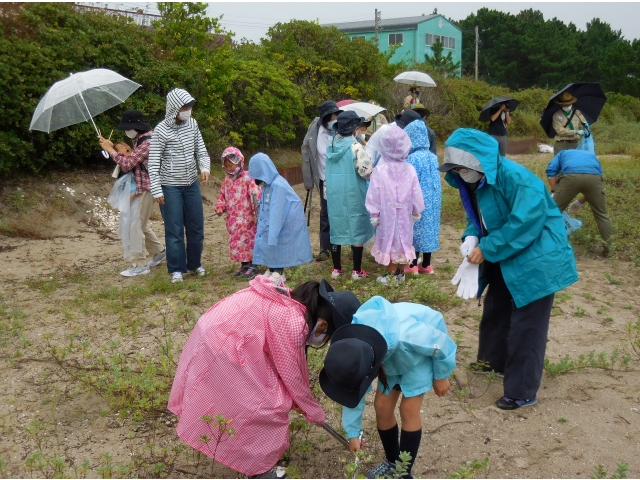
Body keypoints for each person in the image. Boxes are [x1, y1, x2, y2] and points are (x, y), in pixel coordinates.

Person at [440, 128, 578, 410]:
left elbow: (524, 223)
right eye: (456, 168)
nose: (459, 172)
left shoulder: (517, 180)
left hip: (537, 257)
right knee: (497, 307)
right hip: (508, 255)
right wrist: (471, 237)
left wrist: (487, 249)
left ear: (479, 162)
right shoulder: (475, 182)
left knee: (528, 325)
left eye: (463, 167)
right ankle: (493, 363)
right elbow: (479, 218)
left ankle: (521, 391)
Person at [168, 277, 362, 478]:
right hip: (223, 342)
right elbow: (292, 375)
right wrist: (312, 411)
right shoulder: (293, 321)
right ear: (322, 326)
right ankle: (258, 469)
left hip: (220, 333)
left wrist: (301, 401)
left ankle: (250, 452)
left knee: (265, 392)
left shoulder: (291, 305)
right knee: (267, 404)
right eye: (328, 336)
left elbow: (285, 365)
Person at [320, 296, 456, 479]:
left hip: (419, 359)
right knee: (382, 407)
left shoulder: (410, 334)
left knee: (408, 409)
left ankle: (403, 472)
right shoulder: (354, 351)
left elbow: (441, 344)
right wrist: (353, 433)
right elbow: (353, 393)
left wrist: (442, 374)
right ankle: (392, 462)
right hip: (389, 361)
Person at [148, 88, 210, 284]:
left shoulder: (192, 124)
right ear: (175, 108)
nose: (188, 110)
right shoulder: (160, 130)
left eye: (190, 107)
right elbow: (153, 162)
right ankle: (176, 268)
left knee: (196, 226)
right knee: (174, 228)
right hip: (170, 186)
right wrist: (157, 189)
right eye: (185, 107)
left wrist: (204, 168)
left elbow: (201, 149)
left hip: (191, 183)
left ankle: (194, 264)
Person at [99, 110, 166, 277]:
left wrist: (111, 151)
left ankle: (139, 264)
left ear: (136, 127)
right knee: (140, 224)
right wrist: (111, 146)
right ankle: (159, 251)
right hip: (141, 189)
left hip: (147, 189)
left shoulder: (147, 142)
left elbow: (128, 163)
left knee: (136, 227)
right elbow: (130, 160)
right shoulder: (139, 140)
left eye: (128, 128)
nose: (126, 132)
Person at [366, 125, 424, 285]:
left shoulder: (379, 170)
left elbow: (374, 194)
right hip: (405, 213)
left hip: (386, 214)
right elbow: (416, 192)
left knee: (389, 241)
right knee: (404, 241)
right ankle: (400, 273)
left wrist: (374, 214)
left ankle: (392, 276)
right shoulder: (409, 169)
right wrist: (416, 210)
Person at [248, 153, 313, 285]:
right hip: (272, 221)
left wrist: (272, 231)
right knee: (270, 242)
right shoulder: (268, 185)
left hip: (285, 223)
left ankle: (278, 271)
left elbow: (278, 212)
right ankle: (272, 268)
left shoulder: (278, 185)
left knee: (278, 244)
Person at [326, 111, 374, 279]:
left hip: (334, 194)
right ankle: (356, 270)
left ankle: (337, 269)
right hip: (353, 193)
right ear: (354, 129)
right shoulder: (356, 147)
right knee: (356, 226)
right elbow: (366, 171)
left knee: (336, 227)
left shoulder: (330, 148)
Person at [546, 149, 614, 255]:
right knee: (602, 215)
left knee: (552, 212)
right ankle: (610, 250)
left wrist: (555, 190)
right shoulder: (591, 156)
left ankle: (546, 246)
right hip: (594, 178)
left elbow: (550, 170)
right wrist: (579, 202)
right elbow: (594, 182)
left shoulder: (562, 153)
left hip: (570, 178)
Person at [302, 100, 342, 261]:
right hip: (324, 179)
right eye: (332, 116)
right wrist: (308, 181)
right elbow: (306, 154)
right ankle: (326, 249)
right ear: (324, 119)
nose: (335, 119)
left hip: (342, 179)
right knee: (326, 214)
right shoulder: (314, 131)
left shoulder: (341, 128)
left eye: (336, 115)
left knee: (344, 212)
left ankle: (348, 246)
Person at [215, 147, 262, 278]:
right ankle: (244, 264)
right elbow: (222, 196)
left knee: (249, 240)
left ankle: (254, 264)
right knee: (238, 241)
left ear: (240, 162)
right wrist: (220, 206)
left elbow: (255, 195)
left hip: (247, 218)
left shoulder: (248, 178)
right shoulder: (226, 181)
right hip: (234, 219)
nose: (229, 168)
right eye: (226, 166)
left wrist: (256, 213)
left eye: (231, 165)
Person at [404, 118, 441, 275]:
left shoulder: (411, 158)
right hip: (433, 200)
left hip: (418, 200)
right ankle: (426, 264)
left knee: (414, 228)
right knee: (429, 230)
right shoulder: (433, 157)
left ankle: (412, 264)